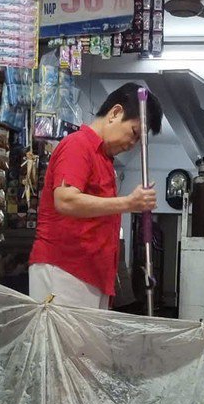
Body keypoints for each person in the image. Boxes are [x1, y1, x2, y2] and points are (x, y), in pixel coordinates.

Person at [28, 83, 162, 309]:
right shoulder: (78, 145)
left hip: (92, 275)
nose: (132, 145)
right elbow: (65, 200)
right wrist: (129, 203)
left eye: (139, 140)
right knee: (64, 344)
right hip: (65, 269)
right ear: (115, 113)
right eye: (134, 133)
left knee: (84, 345)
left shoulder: (104, 161)